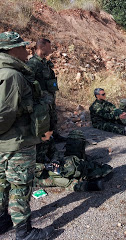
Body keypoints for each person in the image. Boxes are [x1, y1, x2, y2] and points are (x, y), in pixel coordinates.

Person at [0, 32, 54, 239]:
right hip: (16, 144)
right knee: (20, 186)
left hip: (7, 143)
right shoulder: (12, 75)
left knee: (3, 185)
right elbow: (4, 114)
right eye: (22, 47)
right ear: (11, 50)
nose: (26, 50)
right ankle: (24, 233)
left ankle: (3, 222)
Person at [27, 38, 66, 143]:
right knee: (44, 119)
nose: (51, 50)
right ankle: (45, 141)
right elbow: (28, 82)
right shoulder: (33, 63)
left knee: (52, 116)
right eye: (49, 47)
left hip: (49, 95)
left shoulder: (45, 63)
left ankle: (54, 136)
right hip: (41, 97)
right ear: (42, 47)